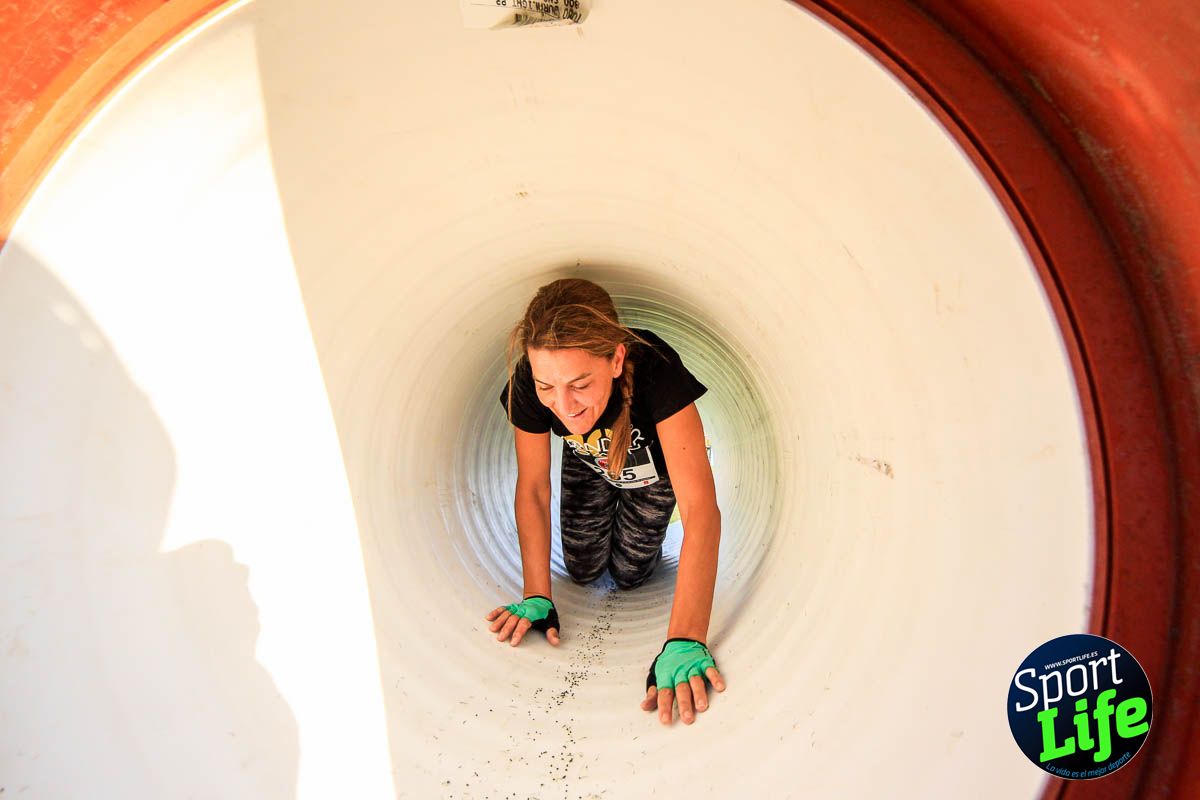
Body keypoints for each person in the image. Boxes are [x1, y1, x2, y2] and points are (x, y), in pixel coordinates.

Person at [486, 277, 727, 727]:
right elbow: (534, 487)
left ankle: (676, 482)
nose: (564, 405)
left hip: (653, 475)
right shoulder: (529, 383)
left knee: (631, 575)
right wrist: (537, 595)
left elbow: (701, 510)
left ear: (615, 360)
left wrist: (685, 637)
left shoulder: (656, 371)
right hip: (590, 462)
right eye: (547, 386)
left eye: (580, 383)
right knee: (582, 569)